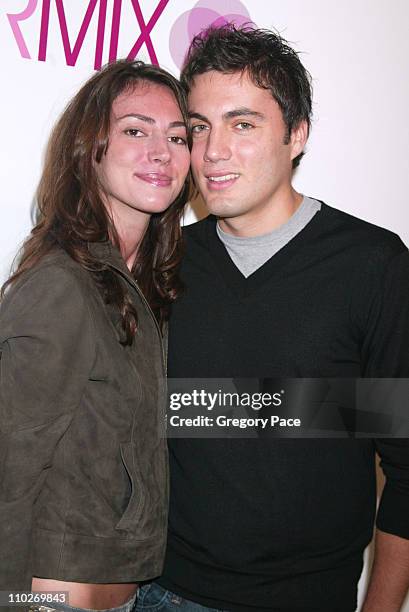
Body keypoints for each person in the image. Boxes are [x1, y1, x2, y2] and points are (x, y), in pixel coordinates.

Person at [136, 25, 409, 612]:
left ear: (296, 135)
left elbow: (406, 463)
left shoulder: (370, 265)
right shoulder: (164, 263)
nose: (212, 153)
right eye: (200, 128)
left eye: (243, 124)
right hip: (164, 593)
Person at [0, 59, 191, 612]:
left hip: (132, 593)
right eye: (135, 130)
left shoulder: (148, 285)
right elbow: (10, 472)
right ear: (92, 148)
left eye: (177, 136)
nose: (161, 152)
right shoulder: (61, 283)